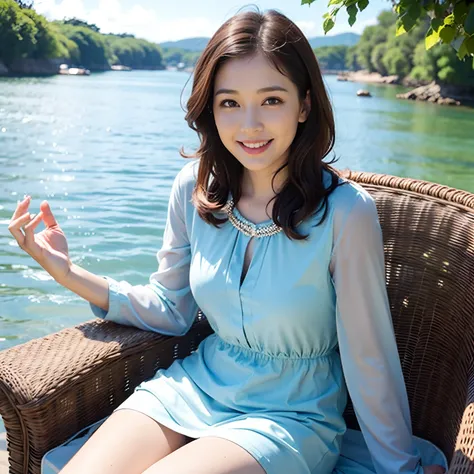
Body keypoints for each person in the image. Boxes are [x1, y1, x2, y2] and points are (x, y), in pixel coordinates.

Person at [8, 8, 447, 474]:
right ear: (209, 109)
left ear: (304, 105)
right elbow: (171, 307)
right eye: (230, 103)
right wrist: (67, 273)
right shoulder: (194, 190)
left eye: (272, 100)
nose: (249, 125)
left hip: (292, 414)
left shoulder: (345, 212)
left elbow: (368, 353)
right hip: (196, 386)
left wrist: (400, 467)